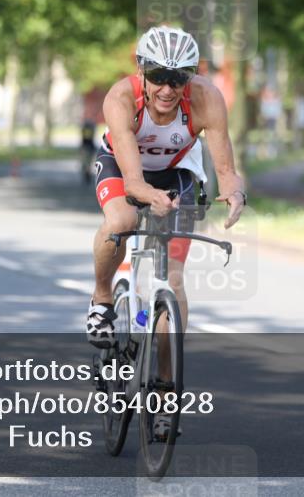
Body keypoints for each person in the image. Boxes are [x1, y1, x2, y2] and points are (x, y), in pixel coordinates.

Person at [87, 25, 246, 348]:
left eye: (179, 78)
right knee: (122, 221)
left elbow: (226, 169)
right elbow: (133, 183)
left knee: (173, 280)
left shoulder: (206, 98)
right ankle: (102, 299)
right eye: (158, 75)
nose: (167, 89)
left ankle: (164, 385)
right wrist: (150, 196)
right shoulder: (121, 98)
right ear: (141, 70)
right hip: (122, 166)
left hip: (177, 171)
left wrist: (234, 192)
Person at [80, 118, 97, 184]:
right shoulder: (91, 129)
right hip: (90, 147)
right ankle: (87, 173)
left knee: (85, 162)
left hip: (85, 147)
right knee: (88, 163)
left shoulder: (84, 129)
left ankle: (86, 173)